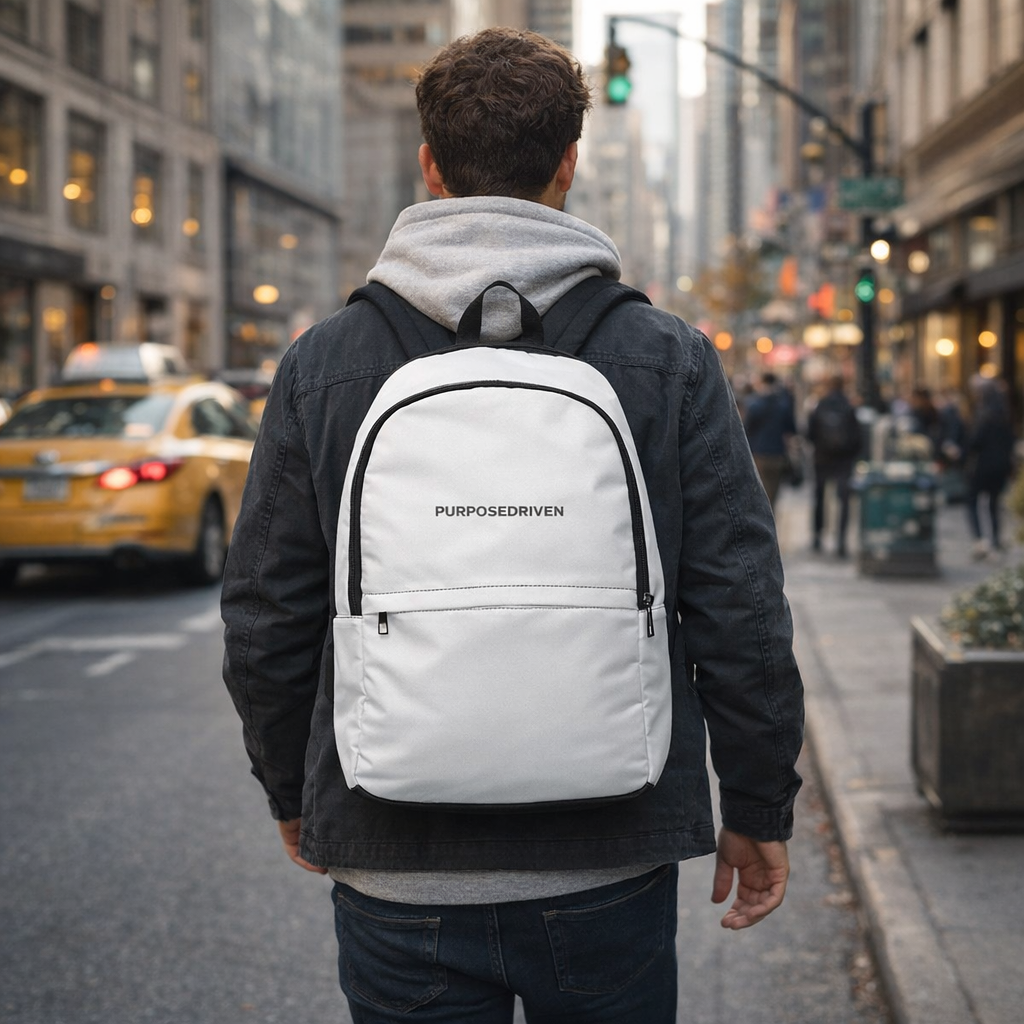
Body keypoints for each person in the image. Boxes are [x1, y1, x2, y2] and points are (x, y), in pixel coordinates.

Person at [222, 28, 803, 1024]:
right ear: (567, 164)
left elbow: (267, 610)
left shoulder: (325, 361)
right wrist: (755, 804)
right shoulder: (663, 355)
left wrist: (292, 789)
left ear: (428, 166)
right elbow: (738, 602)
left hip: (390, 851)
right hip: (606, 852)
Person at [807, 375, 861, 557]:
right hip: (844, 461)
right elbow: (857, 437)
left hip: (822, 459)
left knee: (820, 498)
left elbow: (810, 433)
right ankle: (841, 541)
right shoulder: (849, 406)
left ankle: (817, 537)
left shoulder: (821, 405)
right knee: (844, 501)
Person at [964, 378, 1016, 558]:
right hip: (1000, 466)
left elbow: (975, 442)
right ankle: (994, 539)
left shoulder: (983, 415)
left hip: (982, 466)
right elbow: (1011, 442)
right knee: (993, 504)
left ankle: (980, 541)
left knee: (972, 501)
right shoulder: (1004, 415)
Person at [743, 371, 798, 508]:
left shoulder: (754, 405)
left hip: (759, 454)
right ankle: (772, 519)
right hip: (778, 453)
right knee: (773, 493)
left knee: (760, 492)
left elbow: (747, 429)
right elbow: (791, 430)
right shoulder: (783, 405)